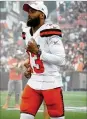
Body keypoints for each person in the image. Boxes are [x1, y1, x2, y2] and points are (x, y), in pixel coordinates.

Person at [20, 2, 65, 119]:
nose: (29, 14)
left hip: (51, 83)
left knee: (57, 117)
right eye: (28, 12)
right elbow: (33, 56)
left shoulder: (50, 31)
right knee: (25, 117)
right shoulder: (27, 32)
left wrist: (38, 52)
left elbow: (61, 60)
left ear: (42, 15)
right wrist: (30, 66)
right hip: (34, 82)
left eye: (33, 11)